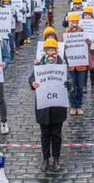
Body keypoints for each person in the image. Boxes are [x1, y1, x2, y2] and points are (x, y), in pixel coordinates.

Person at [31, 38, 72, 173]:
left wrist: (68, 84)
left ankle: (56, 159)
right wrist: (32, 83)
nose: (50, 53)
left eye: (52, 50)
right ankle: (45, 159)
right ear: (44, 52)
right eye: (48, 50)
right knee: (44, 135)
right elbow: (31, 78)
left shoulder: (63, 64)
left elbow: (70, 79)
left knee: (56, 135)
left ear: (56, 51)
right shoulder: (38, 64)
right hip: (43, 106)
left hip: (57, 107)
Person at [64, 12, 90, 115]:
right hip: (70, 65)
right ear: (69, 23)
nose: (74, 24)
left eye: (76, 22)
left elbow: (88, 46)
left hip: (81, 65)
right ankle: (73, 106)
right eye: (72, 22)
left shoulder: (83, 33)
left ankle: (79, 105)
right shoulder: (66, 34)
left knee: (80, 87)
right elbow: (61, 49)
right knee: (71, 86)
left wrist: (88, 42)